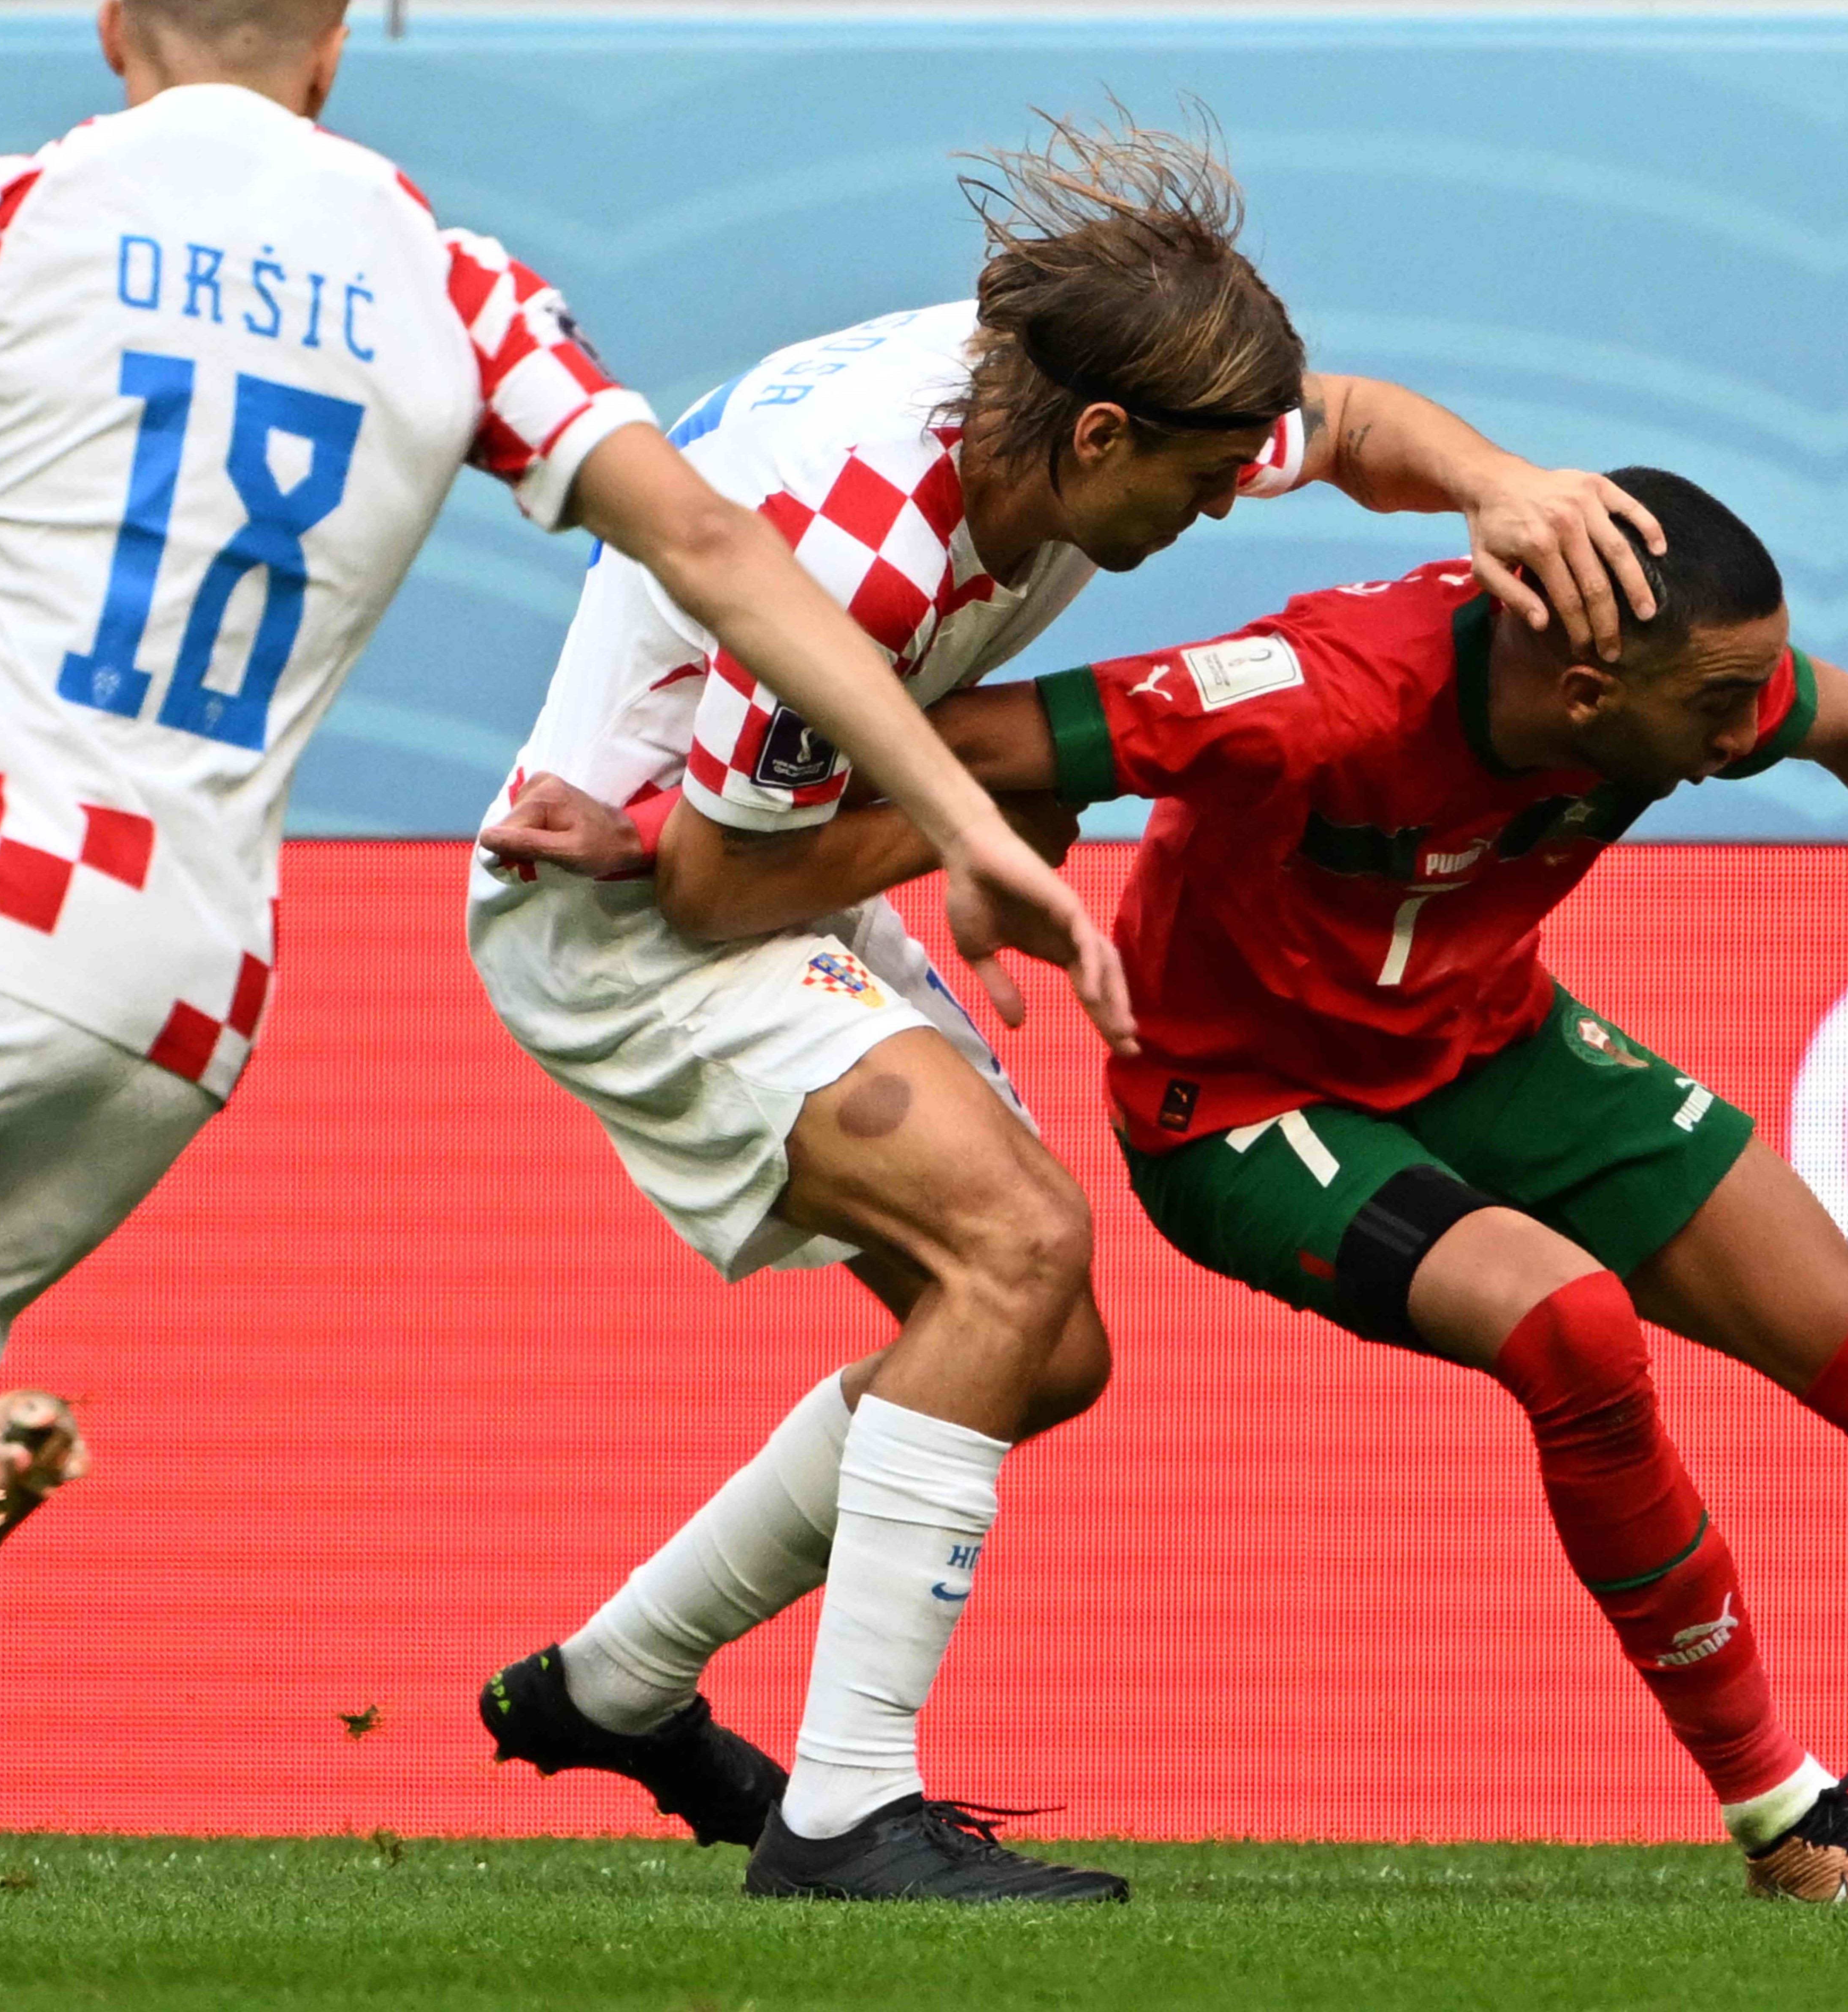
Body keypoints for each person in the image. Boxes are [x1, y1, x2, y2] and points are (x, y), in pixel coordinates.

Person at [562, 467, 1848, 1899]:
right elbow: (971, 737)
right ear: (1576, 684)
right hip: (1239, 1108)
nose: (1750, 732)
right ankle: (1784, 1818)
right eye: (1717, 709)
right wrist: (662, 832)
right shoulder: (1312, 692)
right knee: (1566, 1326)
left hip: (1493, 1050)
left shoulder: (1687, 680)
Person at [0, 0, 1122, 1720]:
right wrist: (962, 824)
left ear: (112, 27)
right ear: (337, 49)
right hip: (188, 993)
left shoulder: (10, 211)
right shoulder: (456, 288)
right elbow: (719, 548)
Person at [469, 111, 1665, 1904]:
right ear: (1100, 437)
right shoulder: (868, 541)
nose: (1208, 514)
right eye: (1189, 488)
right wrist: (1011, 804)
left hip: (754, 857)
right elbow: (720, 889)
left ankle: (620, 1684)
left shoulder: (1073, 402)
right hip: (633, 918)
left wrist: (1493, 481)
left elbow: (1334, 427)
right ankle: (843, 1815)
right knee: (1013, 1245)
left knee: (1045, 1342)